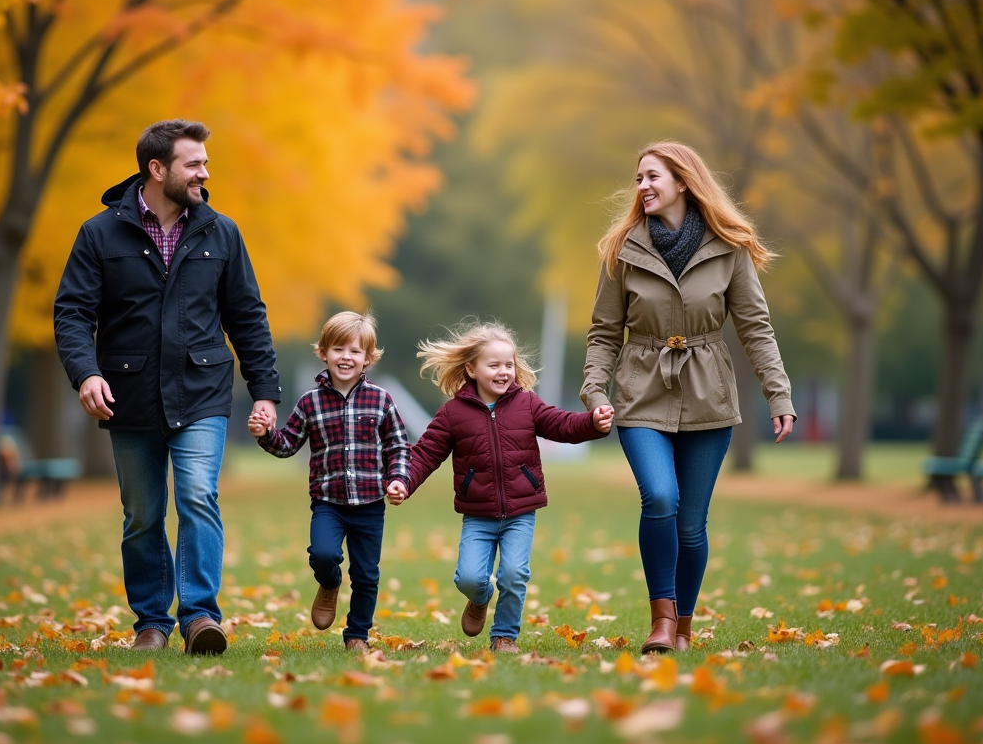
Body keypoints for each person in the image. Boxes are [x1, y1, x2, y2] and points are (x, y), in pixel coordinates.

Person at [54, 119, 281, 655]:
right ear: (157, 170)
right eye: (194, 163)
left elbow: (247, 315)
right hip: (128, 397)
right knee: (143, 516)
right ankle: (151, 622)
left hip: (201, 390)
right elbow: (72, 312)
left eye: (205, 161)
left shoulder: (220, 232)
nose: (205, 172)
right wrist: (86, 373)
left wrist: (265, 390)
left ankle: (201, 616)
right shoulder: (99, 234)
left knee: (199, 496)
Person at [581, 140, 796, 654]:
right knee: (659, 497)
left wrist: (779, 394)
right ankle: (659, 622)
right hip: (641, 392)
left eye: (652, 176)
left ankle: (682, 626)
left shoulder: (730, 247)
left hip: (708, 395)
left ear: (683, 181)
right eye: (638, 178)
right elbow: (604, 332)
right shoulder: (621, 250)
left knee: (691, 525)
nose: (642, 187)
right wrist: (593, 390)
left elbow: (756, 328)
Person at [390, 321, 613, 653]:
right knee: (469, 578)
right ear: (471, 369)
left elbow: (561, 424)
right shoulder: (452, 414)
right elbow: (425, 453)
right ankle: (479, 600)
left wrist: (592, 422)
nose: (504, 372)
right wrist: (403, 481)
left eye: (508, 364)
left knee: (513, 574)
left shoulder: (527, 403)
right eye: (494, 365)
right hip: (478, 515)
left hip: (521, 512)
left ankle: (504, 635)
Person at [247, 311, 409, 652]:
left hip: (369, 504)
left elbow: (397, 445)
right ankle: (329, 584)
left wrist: (397, 479)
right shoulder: (310, 402)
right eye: (338, 349)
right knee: (323, 554)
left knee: (366, 574)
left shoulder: (381, 400)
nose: (345, 357)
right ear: (324, 352)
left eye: (354, 351)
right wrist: (266, 434)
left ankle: (357, 637)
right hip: (328, 503)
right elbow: (288, 443)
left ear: (368, 358)